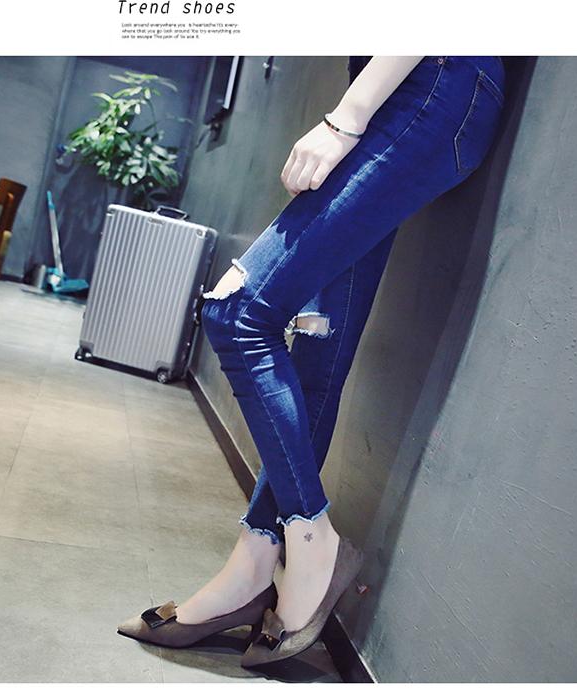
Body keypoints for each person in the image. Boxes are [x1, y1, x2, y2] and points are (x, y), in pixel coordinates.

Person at [118, 55, 506, 667]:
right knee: (318, 355)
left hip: (431, 83)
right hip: (422, 93)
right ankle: (253, 563)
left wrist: (345, 119)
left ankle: (312, 538)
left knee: (236, 312)